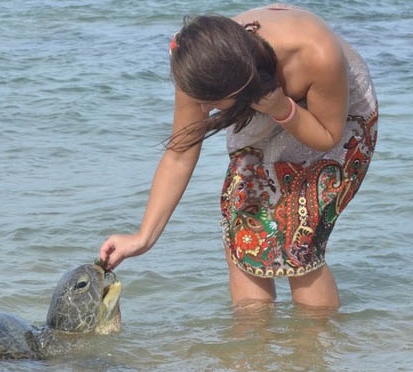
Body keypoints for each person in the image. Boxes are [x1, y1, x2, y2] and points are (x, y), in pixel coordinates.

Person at [98, 5, 378, 309]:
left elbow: (327, 137)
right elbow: (180, 152)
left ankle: (313, 350)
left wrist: (281, 109)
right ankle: (250, 347)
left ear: (238, 88)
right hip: (259, 99)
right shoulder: (197, 63)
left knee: (300, 243)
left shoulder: (315, 53)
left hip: (334, 117)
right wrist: (143, 237)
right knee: (243, 231)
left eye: (212, 104)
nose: (204, 110)